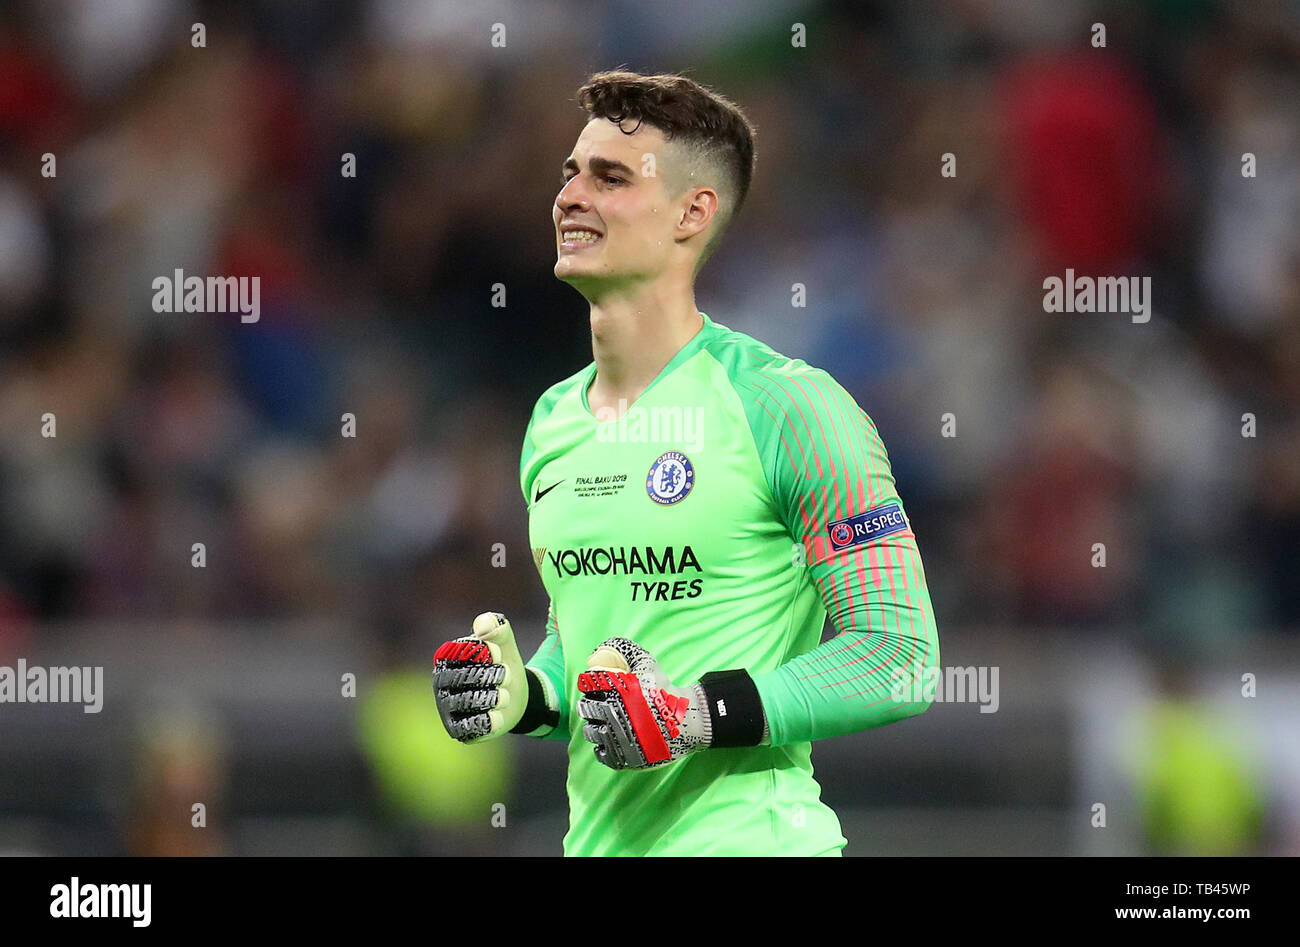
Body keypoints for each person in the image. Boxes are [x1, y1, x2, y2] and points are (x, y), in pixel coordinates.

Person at [433, 70, 939, 856]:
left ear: (692, 212)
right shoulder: (552, 423)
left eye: (610, 177)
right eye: (570, 173)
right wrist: (524, 695)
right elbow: (597, 660)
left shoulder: (788, 407)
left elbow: (899, 656)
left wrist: (696, 714)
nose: (570, 196)